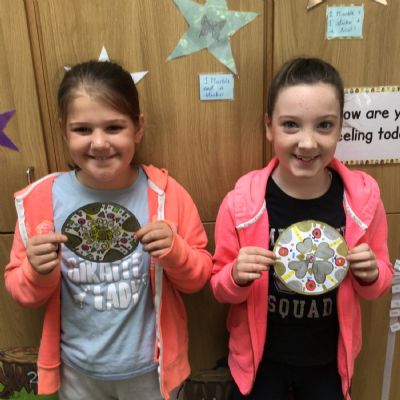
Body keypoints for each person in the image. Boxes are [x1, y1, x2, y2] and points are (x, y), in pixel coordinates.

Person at [4, 60, 212, 400]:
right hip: (77, 372)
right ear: (64, 131)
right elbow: (20, 291)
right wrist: (35, 271)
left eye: (114, 127)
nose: (99, 143)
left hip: (152, 372)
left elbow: (199, 277)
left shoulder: (166, 196)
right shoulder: (40, 202)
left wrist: (175, 252)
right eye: (83, 130)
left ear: (138, 128)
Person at [210, 57, 393, 400]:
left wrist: (371, 274)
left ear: (340, 128)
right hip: (259, 361)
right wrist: (235, 276)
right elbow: (219, 287)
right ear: (269, 127)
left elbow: (379, 282)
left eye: (324, 125)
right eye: (291, 125)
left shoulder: (362, 202)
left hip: (328, 362)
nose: (307, 143)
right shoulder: (242, 203)